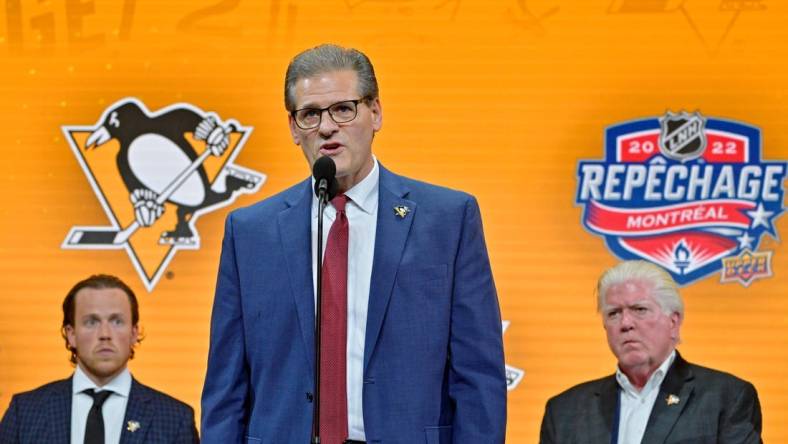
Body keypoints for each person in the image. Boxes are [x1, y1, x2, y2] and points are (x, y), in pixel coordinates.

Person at [201, 44, 507, 444]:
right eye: (310, 114)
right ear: (293, 128)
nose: (327, 127)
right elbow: (226, 387)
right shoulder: (250, 232)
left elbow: (478, 377)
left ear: (375, 113)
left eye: (343, 109)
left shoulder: (447, 219)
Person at [539, 260, 762, 444]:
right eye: (614, 313)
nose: (625, 323)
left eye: (640, 310)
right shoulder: (564, 411)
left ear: (673, 322)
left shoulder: (726, 397)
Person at [0, 274, 199, 443]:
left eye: (117, 321)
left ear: (134, 333)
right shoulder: (25, 412)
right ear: (71, 334)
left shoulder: (175, 419)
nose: (105, 333)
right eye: (91, 322)